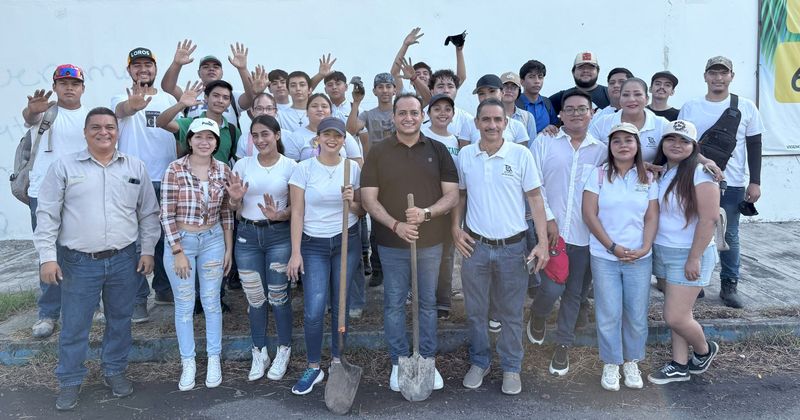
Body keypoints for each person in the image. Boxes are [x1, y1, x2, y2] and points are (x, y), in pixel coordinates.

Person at [34, 107, 160, 410]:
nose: (104, 132)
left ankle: (114, 370)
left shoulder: (135, 167)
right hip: (78, 261)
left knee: (120, 320)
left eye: (109, 127)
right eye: (96, 128)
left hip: (124, 260)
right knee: (76, 325)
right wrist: (47, 258)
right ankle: (70, 381)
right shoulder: (64, 167)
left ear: (118, 131)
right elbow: (47, 214)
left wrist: (147, 250)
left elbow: (148, 213)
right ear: (85, 132)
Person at [361, 93, 459, 392]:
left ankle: (427, 359)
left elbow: (452, 195)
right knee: (393, 304)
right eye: (402, 113)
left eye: (414, 113)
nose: (408, 118)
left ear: (422, 116)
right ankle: (398, 361)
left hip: (430, 243)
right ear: (393, 117)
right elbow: (368, 198)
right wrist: (396, 224)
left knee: (427, 304)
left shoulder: (438, 150)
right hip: (391, 244)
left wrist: (426, 213)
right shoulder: (379, 152)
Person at [452, 98, 549, 395]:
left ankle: (511, 367)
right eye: (486, 120)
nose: (492, 125)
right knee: (476, 311)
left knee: (510, 313)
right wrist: (455, 229)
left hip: (513, 248)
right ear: (477, 123)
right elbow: (461, 197)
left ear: (506, 124)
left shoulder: (520, 155)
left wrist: (543, 243)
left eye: (498, 120)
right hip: (476, 247)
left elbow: (535, 199)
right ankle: (479, 362)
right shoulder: (466, 155)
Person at [527, 89, 607, 376]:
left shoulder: (600, 150)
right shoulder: (545, 141)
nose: (575, 114)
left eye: (581, 109)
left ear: (592, 113)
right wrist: (547, 219)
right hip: (552, 233)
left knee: (574, 293)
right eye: (569, 109)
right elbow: (534, 185)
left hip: (585, 236)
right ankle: (537, 315)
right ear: (560, 114)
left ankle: (563, 347)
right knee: (550, 288)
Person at [678, 56, 764, 308]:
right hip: (693, 178)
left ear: (731, 76)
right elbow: (683, 144)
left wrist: (755, 181)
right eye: (713, 73)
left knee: (729, 234)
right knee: (692, 229)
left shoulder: (746, 107)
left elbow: (754, 144)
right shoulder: (691, 107)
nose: (718, 78)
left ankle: (729, 285)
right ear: (705, 76)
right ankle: (697, 282)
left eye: (723, 73)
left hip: (732, 181)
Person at [286, 117, 363, 395]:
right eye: (327, 134)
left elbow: (361, 210)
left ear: (344, 140)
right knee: (314, 307)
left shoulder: (351, 168)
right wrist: (295, 253)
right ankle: (314, 366)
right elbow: (297, 212)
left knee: (340, 303)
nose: (332, 139)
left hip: (346, 240)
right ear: (317, 138)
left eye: (338, 135)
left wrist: (351, 202)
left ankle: (338, 360)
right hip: (313, 244)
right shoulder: (303, 169)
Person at [582, 122, 659, 391]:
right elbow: (589, 214)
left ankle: (632, 362)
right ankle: (612, 363)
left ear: (637, 146)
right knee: (608, 312)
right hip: (605, 256)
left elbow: (651, 215)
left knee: (636, 314)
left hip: (639, 256)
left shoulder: (648, 178)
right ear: (610, 146)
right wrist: (611, 246)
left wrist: (646, 246)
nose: (623, 145)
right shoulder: (599, 174)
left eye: (629, 140)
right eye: (617, 141)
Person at [160, 118, 235, 392]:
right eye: (199, 136)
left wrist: (229, 248)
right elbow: (166, 213)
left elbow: (227, 210)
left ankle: (213, 358)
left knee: (212, 301)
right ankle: (188, 361)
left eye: (210, 137)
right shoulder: (175, 169)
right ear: (189, 140)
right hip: (182, 240)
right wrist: (177, 251)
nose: (205, 142)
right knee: (185, 303)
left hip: (213, 239)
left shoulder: (223, 169)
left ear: (217, 143)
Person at [647, 120, 720, 384]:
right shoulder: (665, 170)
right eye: (671, 139)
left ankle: (703, 350)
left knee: (675, 316)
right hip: (663, 251)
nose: (676, 145)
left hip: (688, 253)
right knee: (678, 314)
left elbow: (708, 219)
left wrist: (694, 257)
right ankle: (679, 364)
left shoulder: (702, 173)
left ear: (693, 146)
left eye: (684, 141)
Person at [22, 64, 89, 339]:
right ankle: (48, 313)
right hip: (43, 193)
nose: (69, 87)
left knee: (84, 252)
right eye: (63, 83)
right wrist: (32, 110)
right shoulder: (44, 113)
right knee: (48, 254)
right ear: (55, 86)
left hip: (81, 193)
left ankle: (87, 306)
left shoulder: (90, 116)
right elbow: (28, 117)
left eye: (74, 83)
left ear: (83, 87)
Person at [111, 47, 178, 320]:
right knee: (135, 243)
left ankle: (163, 289)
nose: (143, 70)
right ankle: (139, 298)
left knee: (165, 239)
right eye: (136, 65)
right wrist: (132, 106)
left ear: (155, 69)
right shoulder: (120, 96)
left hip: (167, 179)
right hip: (133, 181)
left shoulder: (168, 98)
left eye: (148, 65)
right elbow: (120, 110)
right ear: (129, 70)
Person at [228, 115, 296, 382]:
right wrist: (234, 201)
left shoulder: (291, 166)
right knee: (255, 298)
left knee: (279, 297)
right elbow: (233, 208)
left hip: (279, 236)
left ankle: (283, 349)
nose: (260, 140)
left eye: (265, 134)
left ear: (277, 135)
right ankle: (259, 351)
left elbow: (298, 208)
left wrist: (280, 215)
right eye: (254, 135)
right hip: (247, 236)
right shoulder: (243, 164)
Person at [420, 94, 460, 319]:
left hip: (449, 206)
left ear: (453, 115)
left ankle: (443, 302)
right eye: (437, 109)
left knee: (446, 255)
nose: (442, 113)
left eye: (447, 109)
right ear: (428, 114)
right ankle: (423, 300)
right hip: (425, 206)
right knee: (423, 257)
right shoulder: (422, 136)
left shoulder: (456, 141)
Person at [160, 39, 254, 127]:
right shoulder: (189, 94)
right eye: (206, 67)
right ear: (198, 73)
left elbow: (252, 97)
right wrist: (176, 64)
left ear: (222, 73)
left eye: (216, 67)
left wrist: (242, 69)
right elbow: (168, 87)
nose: (211, 69)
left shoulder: (231, 95)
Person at [156, 79, 241, 164]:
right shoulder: (190, 124)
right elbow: (160, 123)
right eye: (216, 96)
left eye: (225, 98)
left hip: (220, 176)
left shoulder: (232, 131)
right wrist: (181, 104)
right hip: (187, 176)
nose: (220, 100)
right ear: (206, 98)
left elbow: (240, 160)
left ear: (229, 103)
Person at [590, 78, 671, 162]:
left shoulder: (662, 125)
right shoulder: (602, 123)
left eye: (637, 94)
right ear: (620, 99)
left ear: (647, 99)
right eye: (625, 95)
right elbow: (588, 152)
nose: (631, 99)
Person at [286, 93, 363, 164]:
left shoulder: (343, 134)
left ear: (331, 112)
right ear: (306, 112)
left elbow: (357, 163)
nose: (319, 109)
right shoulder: (295, 137)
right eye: (314, 106)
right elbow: (291, 168)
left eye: (324, 106)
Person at [472, 74, 530, 147]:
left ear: (502, 93)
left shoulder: (517, 126)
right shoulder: (469, 124)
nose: (487, 97)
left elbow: (522, 155)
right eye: (481, 93)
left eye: (492, 91)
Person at [347, 73, 397, 156]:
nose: (384, 90)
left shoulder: (402, 113)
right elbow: (350, 131)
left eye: (388, 87)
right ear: (374, 91)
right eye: (380, 87)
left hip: (398, 161)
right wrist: (356, 102)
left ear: (394, 90)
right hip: (376, 163)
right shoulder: (367, 115)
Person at [516, 59, 558, 135]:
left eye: (540, 77)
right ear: (522, 81)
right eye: (531, 77)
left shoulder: (547, 103)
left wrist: (551, 127)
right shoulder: (515, 103)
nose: (537, 81)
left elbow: (555, 126)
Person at [499, 71, 537, 140]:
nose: (509, 90)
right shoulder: (491, 115)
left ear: (518, 92)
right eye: (505, 86)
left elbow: (532, 146)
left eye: (514, 87)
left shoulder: (528, 117)